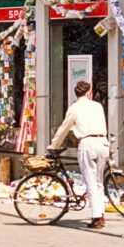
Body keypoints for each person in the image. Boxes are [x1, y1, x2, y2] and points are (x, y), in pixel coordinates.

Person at [47, 81, 109, 229]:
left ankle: (97, 217)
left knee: (90, 180)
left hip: (87, 144)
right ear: (89, 92)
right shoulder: (97, 106)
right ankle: (100, 213)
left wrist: (54, 144)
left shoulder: (74, 108)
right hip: (103, 143)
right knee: (99, 181)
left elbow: (64, 128)